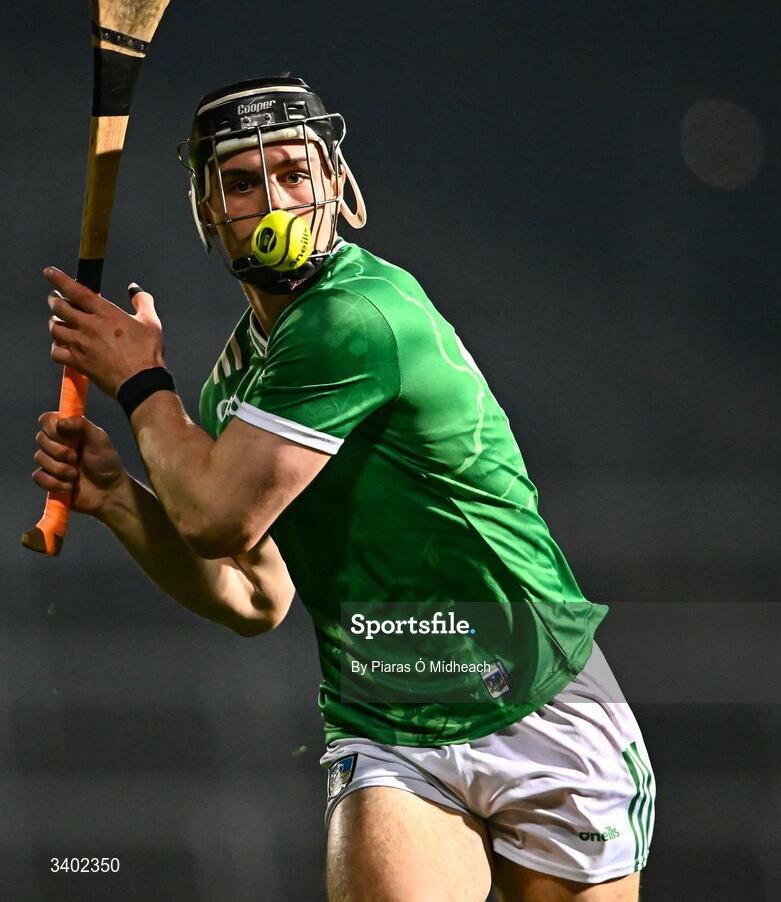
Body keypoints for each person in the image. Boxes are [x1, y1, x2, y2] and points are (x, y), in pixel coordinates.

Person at [34, 76, 655, 901]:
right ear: (208, 210)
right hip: (388, 727)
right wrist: (120, 499)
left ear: (334, 182)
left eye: (293, 172)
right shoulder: (239, 379)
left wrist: (143, 382)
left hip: (537, 706)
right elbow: (253, 597)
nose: (276, 200)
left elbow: (217, 516)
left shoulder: (354, 317)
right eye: (245, 181)